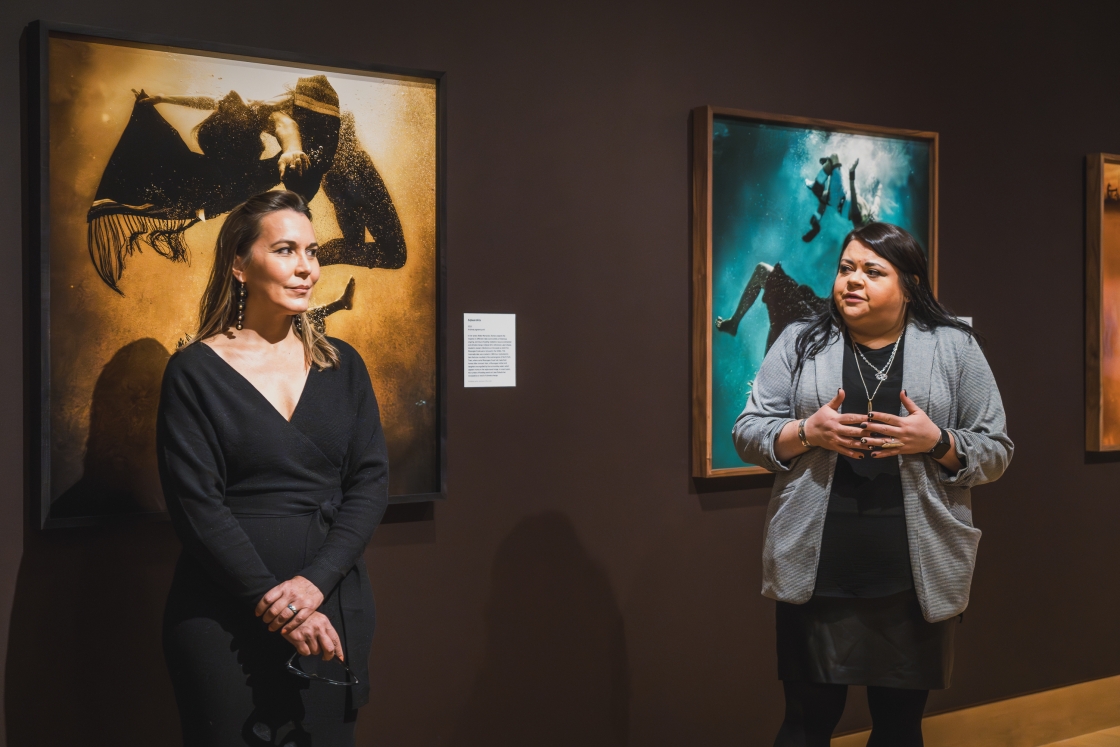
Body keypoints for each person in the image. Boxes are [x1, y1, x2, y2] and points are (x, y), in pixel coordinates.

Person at [732, 222, 1013, 747]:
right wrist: (804, 432)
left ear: (909, 283)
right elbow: (747, 431)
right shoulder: (801, 341)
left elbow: (996, 450)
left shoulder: (954, 346)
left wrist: (937, 441)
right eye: (845, 268)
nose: (852, 281)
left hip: (913, 573)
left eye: (872, 270)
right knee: (805, 724)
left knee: (899, 727)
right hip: (816, 570)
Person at [157, 190, 388, 747]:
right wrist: (279, 603)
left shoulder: (344, 365)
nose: (306, 267)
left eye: (312, 251)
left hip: (329, 604)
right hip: (223, 611)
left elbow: (370, 483)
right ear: (239, 263)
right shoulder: (195, 372)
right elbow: (197, 506)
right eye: (286, 250)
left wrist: (313, 585)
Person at [715, 262, 827, 350]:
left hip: (817, 324)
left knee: (787, 317)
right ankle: (734, 322)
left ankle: (763, 376)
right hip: (812, 310)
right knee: (761, 271)